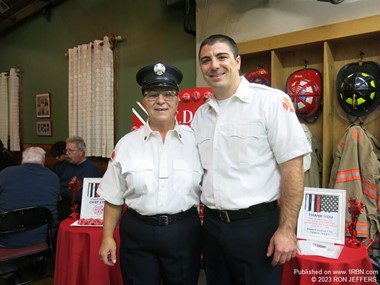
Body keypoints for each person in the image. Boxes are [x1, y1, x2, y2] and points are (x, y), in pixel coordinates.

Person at [191, 34, 312, 285]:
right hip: (212, 227)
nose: (214, 65)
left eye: (221, 57)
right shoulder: (200, 115)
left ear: (237, 61)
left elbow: (293, 168)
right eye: (206, 60)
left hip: (257, 228)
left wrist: (287, 228)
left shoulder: (271, 102)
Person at [98, 62, 203, 285]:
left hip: (184, 231)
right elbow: (113, 197)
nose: (161, 101)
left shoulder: (197, 141)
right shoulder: (126, 144)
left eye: (168, 94)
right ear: (144, 101)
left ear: (177, 100)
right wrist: (107, 237)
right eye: (152, 95)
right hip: (138, 233)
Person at [0, 146, 60, 246]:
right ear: (43, 161)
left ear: (23, 159)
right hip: (41, 239)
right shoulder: (52, 177)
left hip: (5, 239)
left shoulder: (5, 173)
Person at [55, 136, 100, 221]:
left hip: (79, 208)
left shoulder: (91, 169)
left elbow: (81, 196)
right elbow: (54, 184)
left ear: (81, 152)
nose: (67, 153)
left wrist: (61, 190)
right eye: (66, 150)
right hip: (61, 204)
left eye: (71, 150)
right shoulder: (63, 166)